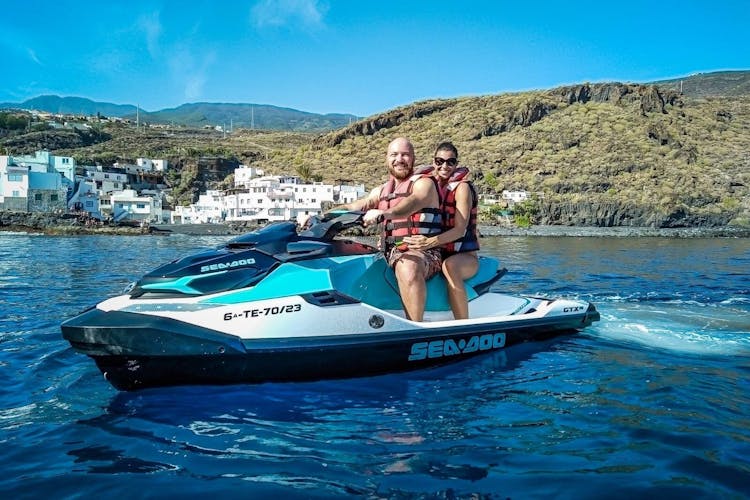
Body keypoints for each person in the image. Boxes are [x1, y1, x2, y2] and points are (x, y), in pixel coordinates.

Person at [338, 137, 443, 321]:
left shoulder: (424, 184)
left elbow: (412, 203)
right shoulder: (381, 190)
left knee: (408, 266)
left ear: (413, 158)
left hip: (423, 251)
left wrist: (384, 213)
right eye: (394, 154)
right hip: (388, 250)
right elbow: (356, 205)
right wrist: (323, 216)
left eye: (405, 155)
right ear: (387, 158)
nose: (400, 159)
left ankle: (414, 328)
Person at [403, 142, 479, 319]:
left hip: (465, 256)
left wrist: (428, 242)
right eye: (440, 161)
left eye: (450, 162)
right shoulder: (429, 186)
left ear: (456, 164)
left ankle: (462, 325)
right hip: (438, 251)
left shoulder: (462, 189)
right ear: (433, 161)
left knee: (450, 266)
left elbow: (460, 230)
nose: (444, 166)